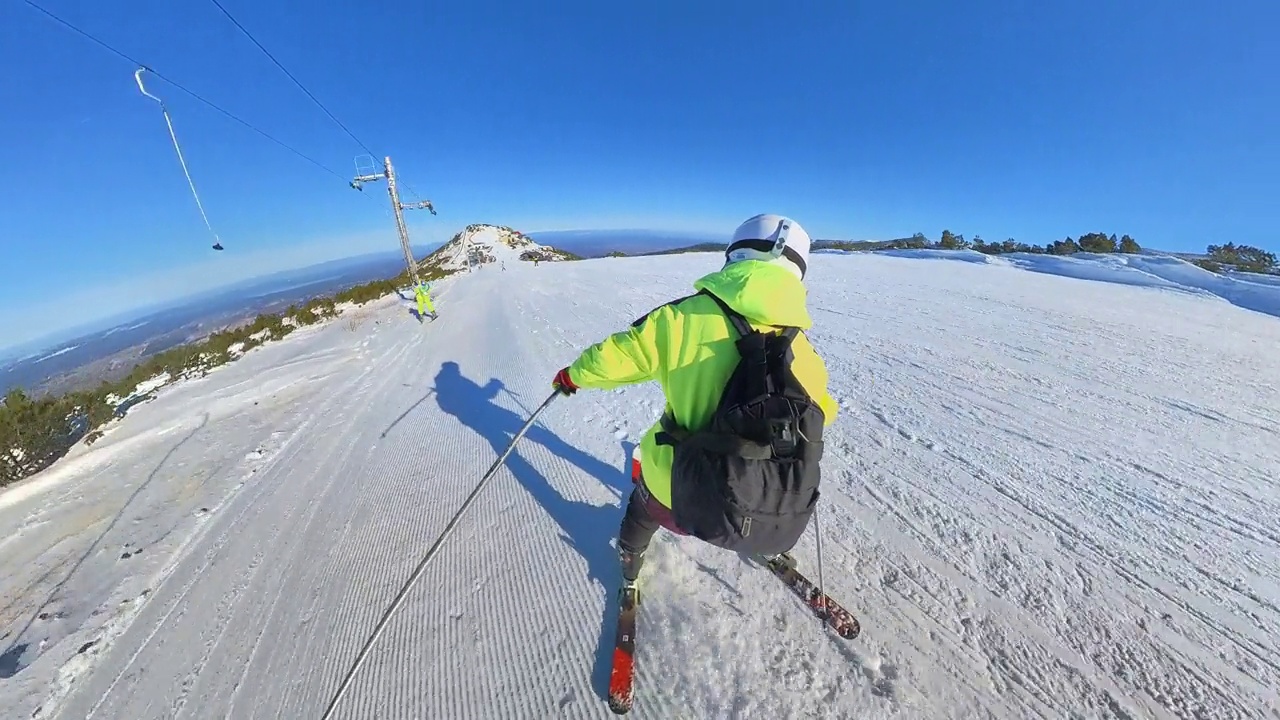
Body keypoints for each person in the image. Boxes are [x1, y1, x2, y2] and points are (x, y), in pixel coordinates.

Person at [550, 214, 838, 597]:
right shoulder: (805, 352)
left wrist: (572, 376)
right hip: (761, 500)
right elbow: (823, 415)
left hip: (677, 492)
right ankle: (769, 544)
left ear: (735, 255)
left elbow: (613, 357)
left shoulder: (681, 318)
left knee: (642, 509)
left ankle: (630, 563)